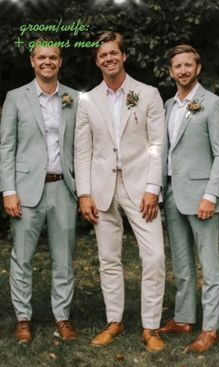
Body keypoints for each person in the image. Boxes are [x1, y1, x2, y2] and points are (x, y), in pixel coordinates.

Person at [74, 31, 165, 352]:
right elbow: (82, 150)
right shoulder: (88, 101)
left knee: (153, 257)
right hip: (101, 190)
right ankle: (115, 321)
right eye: (102, 56)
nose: (109, 59)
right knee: (108, 259)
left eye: (114, 53)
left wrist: (153, 188)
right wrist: (84, 193)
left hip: (141, 190)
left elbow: (157, 144)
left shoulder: (148, 94)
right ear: (97, 61)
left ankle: (151, 327)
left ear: (123, 56)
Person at [0, 39, 78, 344]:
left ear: (60, 62)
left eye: (53, 57)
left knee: (64, 257)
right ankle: (23, 318)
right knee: (22, 257)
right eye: (41, 57)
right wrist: (8, 190)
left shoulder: (73, 97)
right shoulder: (16, 97)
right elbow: (6, 146)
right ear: (32, 62)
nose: (47, 62)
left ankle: (62, 316)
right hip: (26, 189)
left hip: (64, 189)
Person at [159, 45, 219, 353]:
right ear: (171, 71)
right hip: (173, 192)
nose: (183, 70)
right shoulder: (167, 105)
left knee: (210, 267)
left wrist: (210, 196)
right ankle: (184, 318)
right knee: (182, 263)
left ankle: (210, 328)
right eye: (178, 66)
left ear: (197, 69)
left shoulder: (213, 104)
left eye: (189, 65)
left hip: (203, 197)